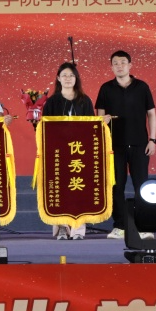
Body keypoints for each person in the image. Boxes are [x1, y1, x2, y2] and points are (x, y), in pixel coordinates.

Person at [95, 50, 156, 239]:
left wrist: (153, 139)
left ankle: (144, 226)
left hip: (140, 144)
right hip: (114, 146)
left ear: (130, 65)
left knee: (142, 186)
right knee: (116, 186)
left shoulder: (142, 87)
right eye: (115, 63)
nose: (119, 66)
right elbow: (99, 117)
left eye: (123, 62)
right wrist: (102, 121)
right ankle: (120, 226)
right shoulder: (106, 88)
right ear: (111, 67)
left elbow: (151, 114)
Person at [42, 62, 96, 240]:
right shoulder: (52, 102)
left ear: (76, 78)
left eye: (71, 75)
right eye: (64, 75)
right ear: (58, 78)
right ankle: (62, 228)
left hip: (79, 152)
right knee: (60, 190)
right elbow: (44, 128)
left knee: (79, 189)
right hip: (59, 152)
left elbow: (91, 126)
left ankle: (78, 228)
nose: (67, 78)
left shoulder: (85, 100)